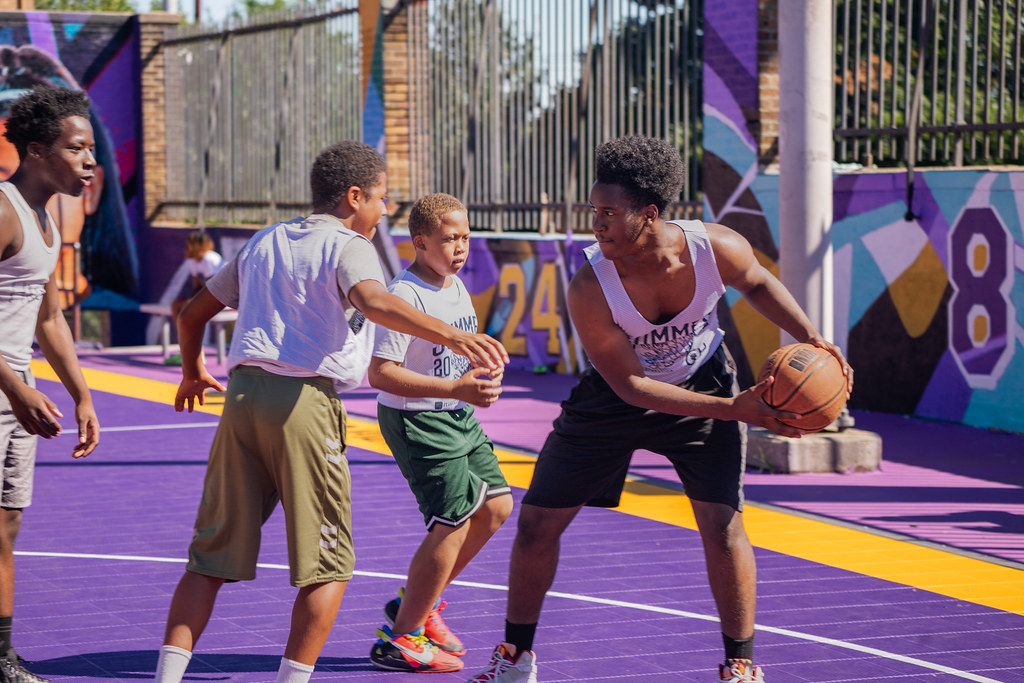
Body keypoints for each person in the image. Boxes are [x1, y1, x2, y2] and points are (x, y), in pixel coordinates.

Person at [467, 136, 853, 683]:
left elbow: (759, 282)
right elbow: (630, 386)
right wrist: (736, 410)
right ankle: (515, 656)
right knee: (535, 525)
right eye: (592, 212)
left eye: (607, 213)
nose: (595, 225)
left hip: (706, 379)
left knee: (722, 526)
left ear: (648, 214)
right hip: (615, 402)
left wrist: (814, 338)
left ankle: (740, 664)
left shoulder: (715, 248)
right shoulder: (590, 286)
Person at [153, 141, 508, 683]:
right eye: (382, 199)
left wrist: (191, 368)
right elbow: (373, 302)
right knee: (328, 566)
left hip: (242, 399)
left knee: (208, 560)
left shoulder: (264, 240)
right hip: (302, 402)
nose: (385, 210)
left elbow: (195, 311)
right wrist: (457, 339)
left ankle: (166, 678)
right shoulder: (351, 244)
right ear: (354, 196)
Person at [367, 193, 513, 674]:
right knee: (453, 520)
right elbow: (382, 373)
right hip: (418, 418)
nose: (461, 247)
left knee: (496, 506)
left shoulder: (454, 287)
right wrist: (455, 386)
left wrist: (482, 372)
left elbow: (455, 355)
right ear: (420, 242)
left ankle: (419, 600)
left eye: (466, 237)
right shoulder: (403, 296)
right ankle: (401, 637)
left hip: (455, 412)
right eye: (450, 238)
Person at [0, 86, 100, 683]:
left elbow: (48, 318)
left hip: (17, 392)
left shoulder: (46, 222)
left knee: (6, 528)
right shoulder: (4, 209)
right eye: (77, 148)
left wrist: (81, 394)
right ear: (37, 150)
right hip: (7, 389)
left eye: (91, 148)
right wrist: (15, 387)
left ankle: (1, 653)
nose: (91, 161)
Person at [164, 231, 224, 366]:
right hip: (214, 296)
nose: (186, 248)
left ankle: (197, 353)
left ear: (196, 246)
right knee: (176, 306)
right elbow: (197, 287)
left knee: (188, 309)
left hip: (226, 299)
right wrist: (189, 301)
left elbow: (212, 288)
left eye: (188, 246)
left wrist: (191, 303)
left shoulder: (209, 259)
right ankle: (186, 350)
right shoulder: (193, 261)